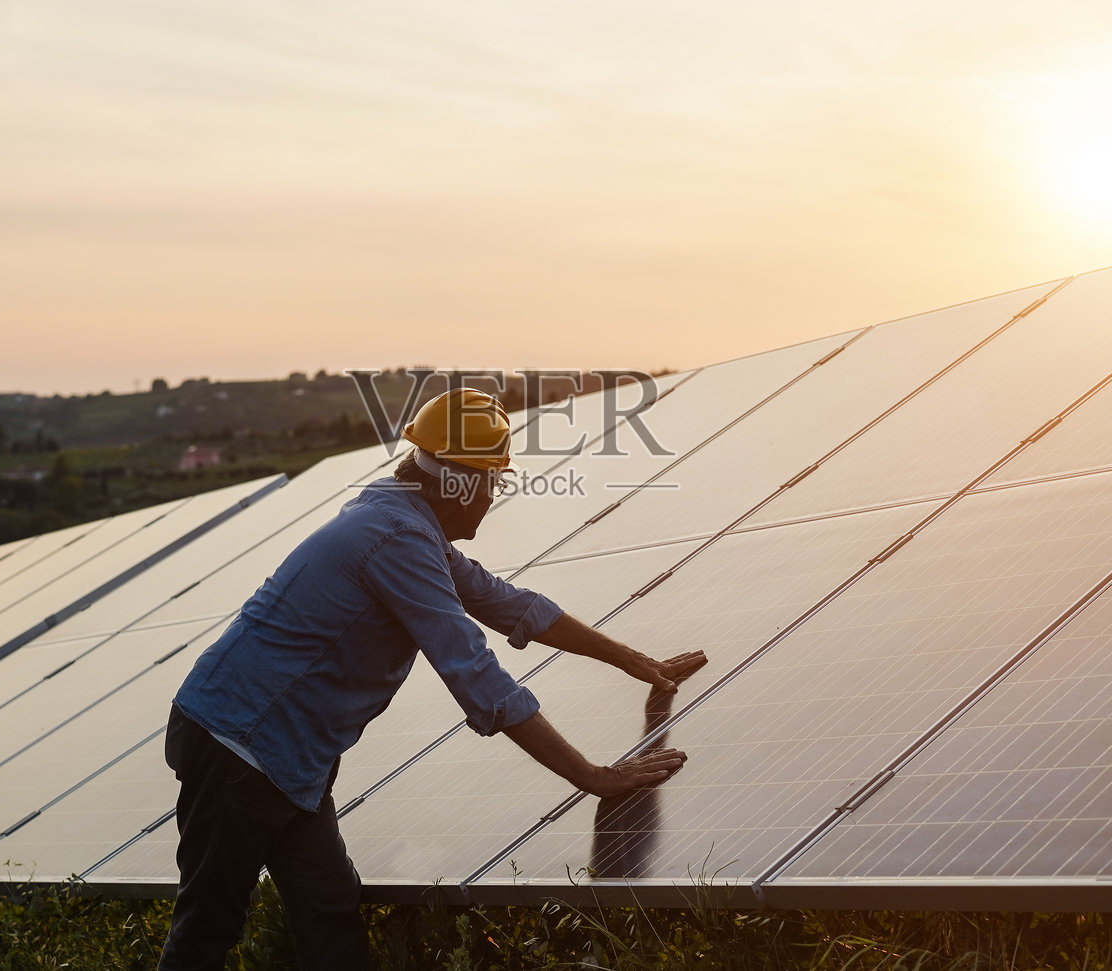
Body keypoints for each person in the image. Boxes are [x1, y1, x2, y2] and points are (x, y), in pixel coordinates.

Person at [159, 387, 707, 970]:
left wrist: (631, 660)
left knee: (328, 909)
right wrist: (592, 777)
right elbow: (478, 678)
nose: (493, 497)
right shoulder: (395, 538)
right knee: (208, 929)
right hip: (239, 746)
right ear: (459, 486)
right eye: (492, 482)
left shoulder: (402, 519)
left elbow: (510, 604)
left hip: (287, 756)